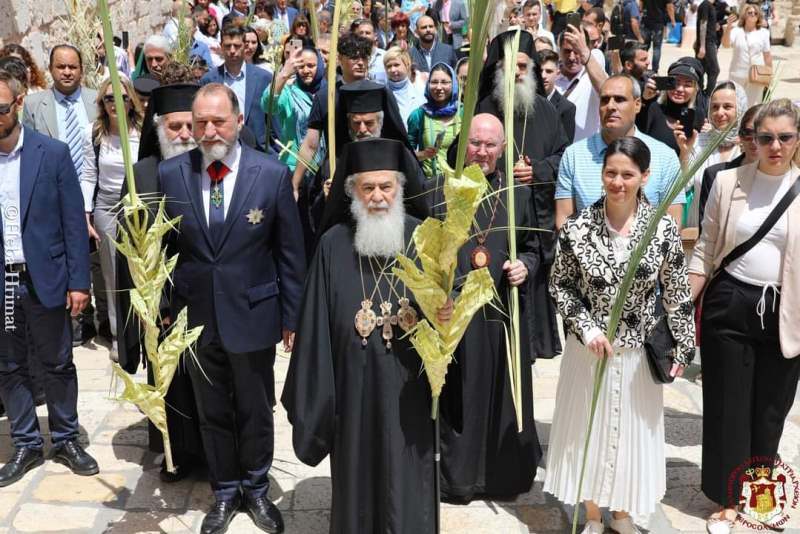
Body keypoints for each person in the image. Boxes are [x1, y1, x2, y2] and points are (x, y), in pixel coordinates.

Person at [158, 83, 305, 534]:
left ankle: (257, 489)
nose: (207, 130)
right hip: (197, 317)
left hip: (254, 314)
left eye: (217, 121)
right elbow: (165, 249)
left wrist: (291, 317)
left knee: (255, 408)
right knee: (212, 408)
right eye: (200, 122)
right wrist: (163, 308)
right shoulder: (171, 174)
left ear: (239, 121)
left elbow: (290, 253)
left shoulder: (271, 174)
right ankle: (224, 491)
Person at [282, 137, 436, 533]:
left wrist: (446, 315)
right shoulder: (332, 246)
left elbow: (446, 311)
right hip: (352, 392)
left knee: (408, 476)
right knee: (357, 473)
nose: (378, 197)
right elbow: (314, 329)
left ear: (401, 189)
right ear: (352, 192)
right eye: (368, 188)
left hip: (410, 389)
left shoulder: (425, 238)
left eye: (387, 186)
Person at [546, 136, 694, 534]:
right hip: (589, 351)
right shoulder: (577, 228)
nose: (618, 182)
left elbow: (677, 292)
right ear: (602, 175)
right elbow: (560, 286)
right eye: (611, 173)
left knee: (630, 434)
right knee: (588, 432)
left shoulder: (662, 229)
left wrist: (683, 343)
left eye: (628, 174)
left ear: (644, 177)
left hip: (637, 352)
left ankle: (624, 512)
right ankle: (594, 514)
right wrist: (588, 328)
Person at [689, 99, 800, 534]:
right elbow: (705, 248)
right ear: (752, 139)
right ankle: (729, 500)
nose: (774, 145)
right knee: (728, 407)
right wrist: (682, 303)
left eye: (784, 137)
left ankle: (761, 497)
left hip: (784, 309)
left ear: (796, 140)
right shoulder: (726, 182)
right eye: (765, 137)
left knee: (771, 411)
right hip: (730, 302)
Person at [433, 113, 543, 501]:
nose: (482, 151)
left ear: (502, 149)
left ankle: (501, 477)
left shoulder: (518, 195)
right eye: (475, 143)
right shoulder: (442, 191)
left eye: (490, 145)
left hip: (500, 316)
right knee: (460, 396)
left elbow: (534, 248)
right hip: (458, 315)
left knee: (502, 397)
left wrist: (524, 267)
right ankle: (458, 479)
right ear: (464, 146)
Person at [0, 69, 99, 487]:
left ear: (18, 105)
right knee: (9, 365)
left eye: (1, 108)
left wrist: (79, 282)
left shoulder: (52, 154)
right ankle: (25, 442)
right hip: (4, 285)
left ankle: (64, 438)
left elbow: (73, 223)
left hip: (45, 277)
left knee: (58, 362)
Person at [117, 82, 206, 482]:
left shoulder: (214, 167)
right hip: (163, 305)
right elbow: (128, 250)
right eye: (175, 127)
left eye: (191, 126)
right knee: (172, 382)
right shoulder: (141, 176)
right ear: (159, 129)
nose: (185, 135)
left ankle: (215, 452)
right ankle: (179, 455)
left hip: (207, 300)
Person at [473, 30, 567, 359]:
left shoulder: (547, 111)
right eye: (508, 64)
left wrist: (538, 170)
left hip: (533, 225)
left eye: (522, 65)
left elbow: (562, 158)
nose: (515, 72)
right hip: (489, 222)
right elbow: (462, 154)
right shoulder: (484, 108)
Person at [22, 44, 101, 345]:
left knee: (96, 261)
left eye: (72, 67)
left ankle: (102, 317)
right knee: (64, 255)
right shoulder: (34, 105)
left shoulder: (97, 100)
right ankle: (72, 323)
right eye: (60, 67)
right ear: (50, 69)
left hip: (92, 191)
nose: (67, 72)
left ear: (82, 69)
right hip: (53, 196)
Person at [556, 74, 685, 229]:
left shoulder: (665, 157)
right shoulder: (574, 155)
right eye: (604, 100)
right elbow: (564, 219)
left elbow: (674, 221)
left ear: (637, 105)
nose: (610, 106)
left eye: (619, 99)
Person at [79, 76, 143, 363]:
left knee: (142, 269)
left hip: (140, 205)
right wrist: (86, 213)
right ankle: (119, 335)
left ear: (131, 100)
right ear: (102, 103)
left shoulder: (143, 131)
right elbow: (89, 174)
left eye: (122, 97)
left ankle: (145, 329)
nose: (116, 102)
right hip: (107, 206)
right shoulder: (94, 133)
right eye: (108, 98)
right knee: (113, 273)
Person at [675, 80, 748, 228]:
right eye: (714, 107)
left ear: (740, 109)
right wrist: (684, 152)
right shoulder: (700, 141)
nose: (719, 113)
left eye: (727, 106)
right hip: (698, 232)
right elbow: (684, 186)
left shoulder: (750, 144)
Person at [201, 24, 273, 150]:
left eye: (237, 46)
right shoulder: (208, 80)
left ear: (244, 47)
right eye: (228, 46)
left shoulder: (264, 78)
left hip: (256, 150)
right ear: (221, 47)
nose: (232, 50)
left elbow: (273, 121)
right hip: (220, 147)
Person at [261, 45, 326, 176]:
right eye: (301, 67)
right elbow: (268, 106)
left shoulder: (329, 91)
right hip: (294, 167)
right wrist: (284, 74)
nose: (306, 70)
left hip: (325, 168)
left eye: (311, 65)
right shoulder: (289, 91)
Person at [698, 103, 762, 224]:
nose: (754, 141)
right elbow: (705, 231)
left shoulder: (789, 180)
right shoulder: (715, 174)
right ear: (740, 136)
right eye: (748, 133)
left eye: (762, 135)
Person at [637, 57, 707, 154]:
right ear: (666, 83)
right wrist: (644, 100)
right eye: (675, 82)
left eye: (687, 85)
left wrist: (710, 136)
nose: (680, 89)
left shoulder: (698, 115)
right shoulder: (653, 107)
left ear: (696, 89)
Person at [407, 62, 461, 182]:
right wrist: (423, 154)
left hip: (460, 184)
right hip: (429, 186)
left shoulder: (463, 113)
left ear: (453, 84)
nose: (439, 87)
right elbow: (407, 155)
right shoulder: (419, 115)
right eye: (434, 82)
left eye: (444, 82)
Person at [554, 23, 608, 142]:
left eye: (576, 51)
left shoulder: (592, 74)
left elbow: (607, 90)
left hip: (587, 153)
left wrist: (584, 52)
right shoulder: (551, 78)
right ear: (559, 51)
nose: (572, 57)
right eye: (567, 51)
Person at [721, 3, 772, 107]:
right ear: (745, 15)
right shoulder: (736, 31)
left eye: (755, 13)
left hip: (757, 74)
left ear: (759, 16)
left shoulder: (764, 33)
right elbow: (725, 45)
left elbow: (767, 55)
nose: (753, 14)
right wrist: (729, 27)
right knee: (736, 103)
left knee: (752, 105)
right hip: (737, 73)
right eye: (750, 12)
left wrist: (769, 74)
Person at [540, 49, 576, 142]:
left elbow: (564, 149)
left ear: (557, 72)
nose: (543, 75)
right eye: (540, 71)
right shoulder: (524, 103)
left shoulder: (567, 108)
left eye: (548, 71)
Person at [384, 46, 426, 124]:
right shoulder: (382, 94)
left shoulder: (421, 91)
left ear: (407, 65)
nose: (393, 70)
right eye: (389, 66)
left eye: (396, 65)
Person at [640, 0, 676, 73]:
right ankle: (654, 70)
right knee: (656, 48)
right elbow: (669, 6)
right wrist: (673, 20)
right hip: (658, 22)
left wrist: (640, 13)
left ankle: (642, 67)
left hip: (646, 21)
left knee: (644, 47)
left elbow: (641, 3)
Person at [695, 0, 720, 94]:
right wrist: (702, 46)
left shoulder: (710, 5)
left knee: (703, 69)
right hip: (706, 42)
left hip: (709, 42)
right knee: (714, 70)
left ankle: (700, 93)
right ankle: (708, 94)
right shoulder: (706, 5)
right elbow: (703, 24)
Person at [352, 18, 387, 84]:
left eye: (367, 33)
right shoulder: (352, 57)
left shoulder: (385, 56)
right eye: (361, 33)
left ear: (375, 36)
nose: (364, 36)